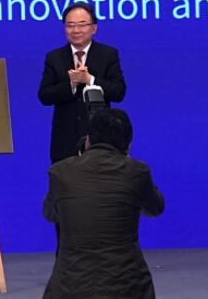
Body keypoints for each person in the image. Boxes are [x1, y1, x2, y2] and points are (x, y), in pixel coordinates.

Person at [43, 108, 164, 299]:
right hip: (128, 288)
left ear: (88, 141)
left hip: (69, 288)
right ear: (128, 146)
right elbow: (156, 208)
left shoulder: (60, 172)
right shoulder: (137, 172)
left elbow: (50, 214)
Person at [38, 2, 127, 164]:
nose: (76, 30)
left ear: (94, 28)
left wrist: (89, 80)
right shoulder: (54, 57)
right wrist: (71, 85)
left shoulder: (108, 55)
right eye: (70, 25)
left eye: (81, 25)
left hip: (100, 140)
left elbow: (118, 92)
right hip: (64, 141)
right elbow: (44, 95)